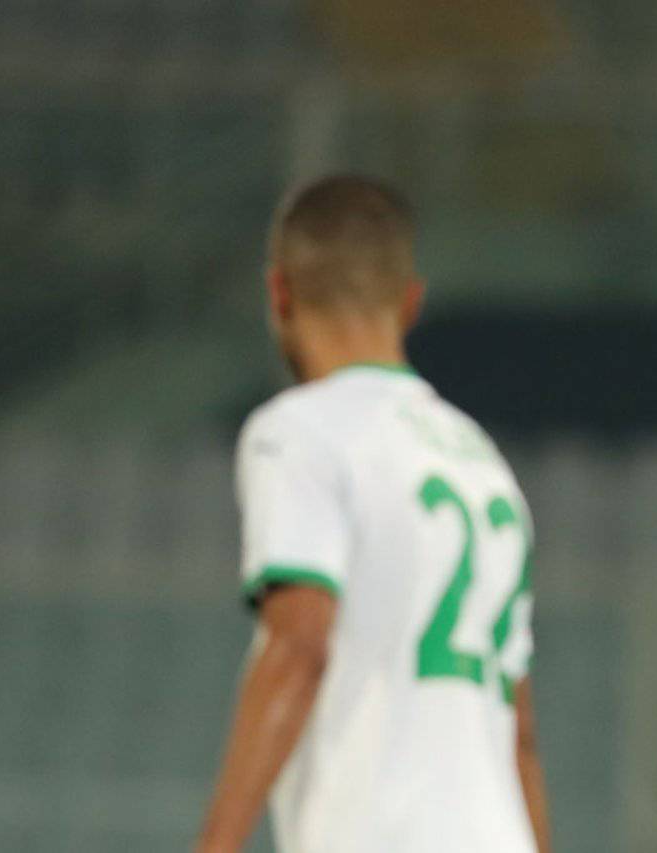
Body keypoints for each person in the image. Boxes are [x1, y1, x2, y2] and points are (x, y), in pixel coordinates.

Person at [197, 175, 551, 853]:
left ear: (279, 293)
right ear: (410, 303)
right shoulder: (486, 467)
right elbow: (520, 732)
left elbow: (298, 645)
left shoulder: (299, 431)